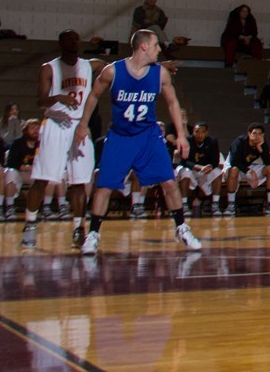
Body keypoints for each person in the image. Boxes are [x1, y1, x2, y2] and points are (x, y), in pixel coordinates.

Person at [73, 30, 201, 255]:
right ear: (143, 47)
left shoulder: (160, 74)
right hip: (120, 137)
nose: (159, 49)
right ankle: (93, 233)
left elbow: (172, 102)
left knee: (169, 182)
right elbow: (93, 96)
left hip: (149, 136)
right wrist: (83, 124)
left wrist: (181, 134)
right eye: (156, 45)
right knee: (104, 186)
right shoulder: (112, 71)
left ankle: (181, 227)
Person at [21, 30, 99, 249]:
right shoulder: (49, 68)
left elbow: (120, 67)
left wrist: (153, 66)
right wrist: (57, 97)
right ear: (60, 43)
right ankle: (30, 225)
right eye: (68, 38)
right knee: (41, 179)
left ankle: (78, 228)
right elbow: (40, 101)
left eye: (76, 38)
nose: (73, 41)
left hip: (78, 125)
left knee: (79, 182)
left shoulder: (89, 65)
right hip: (55, 124)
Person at [226, 123, 270, 216]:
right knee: (234, 170)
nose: (257, 136)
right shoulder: (239, 142)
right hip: (235, 165)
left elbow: (268, 162)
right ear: (249, 134)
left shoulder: (262, 142)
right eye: (254, 133)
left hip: (250, 166)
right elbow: (234, 162)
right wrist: (250, 171)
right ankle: (231, 204)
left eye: (260, 134)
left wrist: (260, 149)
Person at [181, 123, 224, 215]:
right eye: (197, 132)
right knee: (185, 172)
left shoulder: (212, 141)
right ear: (193, 132)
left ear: (206, 133)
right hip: (192, 169)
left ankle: (215, 204)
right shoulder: (188, 141)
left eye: (202, 132)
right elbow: (184, 161)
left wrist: (210, 167)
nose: (199, 134)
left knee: (217, 172)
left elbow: (215, 161)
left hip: (205, 170)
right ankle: (184, 204)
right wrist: (198, 167)